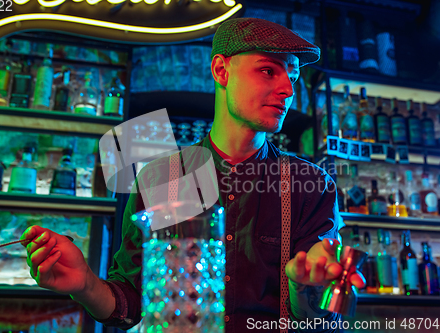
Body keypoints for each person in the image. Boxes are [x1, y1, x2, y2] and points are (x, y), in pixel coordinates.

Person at [22, 17, 365, 332]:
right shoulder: (161, 176)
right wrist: (85, 285)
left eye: (291, 77)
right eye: (268, 71)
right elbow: (133, 299)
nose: (288, 90)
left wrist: (305, 284)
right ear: (221, 71)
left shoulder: (311, 184)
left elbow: (319, 321)